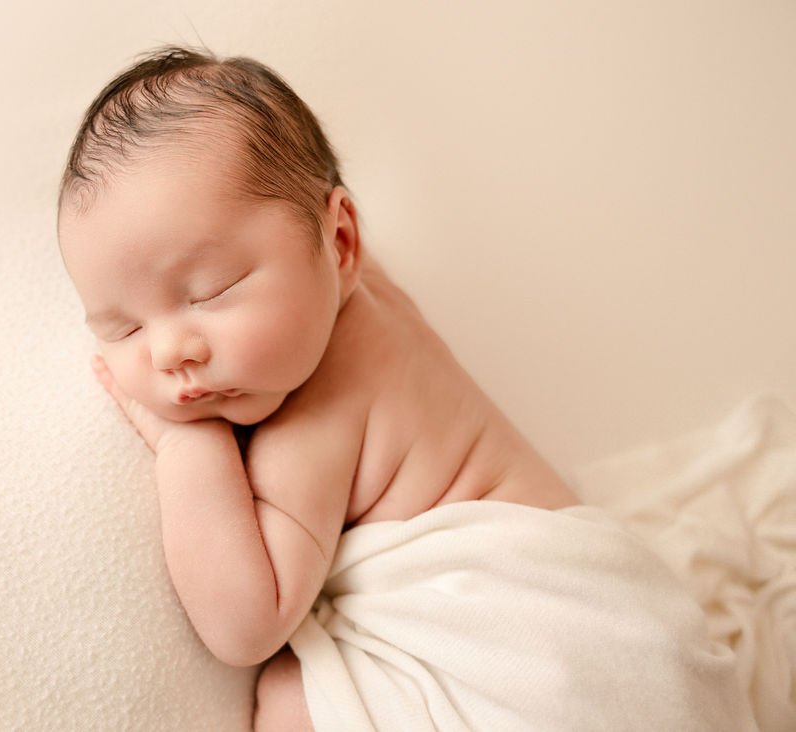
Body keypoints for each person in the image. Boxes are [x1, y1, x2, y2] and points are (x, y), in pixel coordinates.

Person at [57, 47, 753, 732]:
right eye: (121, 329)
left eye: (212, 290)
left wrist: (185, 447)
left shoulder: (317, 410)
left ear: (341, 244)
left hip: (561, 663)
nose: (172, 352)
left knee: (288, 696)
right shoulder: (360, 299)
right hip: (638, 641)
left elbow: (245, 625)